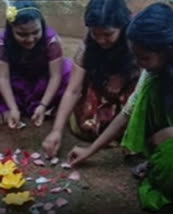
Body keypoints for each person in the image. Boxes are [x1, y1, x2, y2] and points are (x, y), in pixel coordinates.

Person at [68, 3, 173, 211]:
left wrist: (171, 134)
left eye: (144, 58)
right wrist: (90, 150)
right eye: (135, 56)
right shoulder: (152, 73)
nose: (139, 64)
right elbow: (128, 111)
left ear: (169, 50)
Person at [42, 0, 140, 158]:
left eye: (107, 34)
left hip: (130, 91)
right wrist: (56, 131)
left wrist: (125, 75)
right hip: (101, 87)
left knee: (131, 124)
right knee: (86, 126)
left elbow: (147, 79)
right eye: (95, 34)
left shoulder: (136, 40)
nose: (100, 40)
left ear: (122, 27)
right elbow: (73, 90)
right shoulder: (88, 45)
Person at [0, 0, 72, 128]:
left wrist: (43, 105)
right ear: (11, 30)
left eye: (36, 32)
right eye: (22, 34)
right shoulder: (3, 42)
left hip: (41, 82)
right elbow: (3, 78)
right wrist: (13, 108)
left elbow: (55, 76)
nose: (30, 39)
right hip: (14, 81)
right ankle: (5, 108)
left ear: (41, 26)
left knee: (69, 70)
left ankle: (45, 107)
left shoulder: (51, 41)